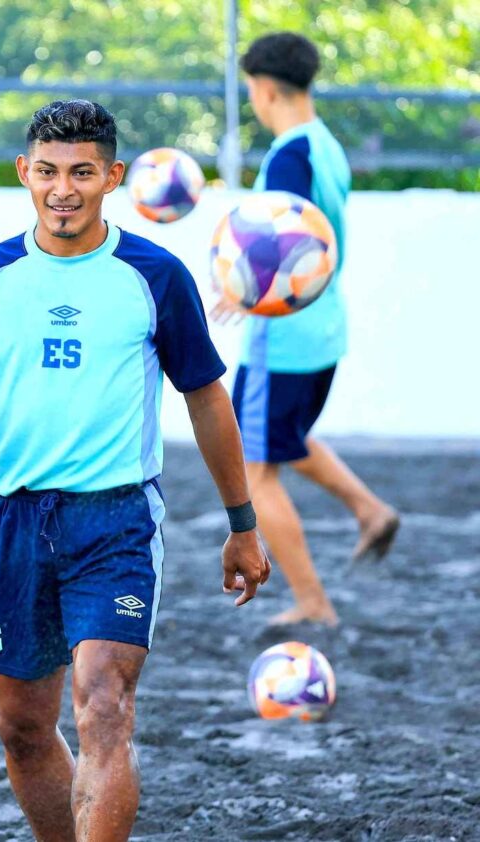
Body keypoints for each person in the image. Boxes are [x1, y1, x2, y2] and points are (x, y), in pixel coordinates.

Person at [0, 100, 271, 842]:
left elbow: (207, 399)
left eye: (82, 172)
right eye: (48, 172)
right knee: (21, 725)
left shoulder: (154, 275)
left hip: (116, 522)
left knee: (104, 704)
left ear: (113, 177)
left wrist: (242, 524)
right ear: (24, 172)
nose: (63, 190)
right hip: (13, 523)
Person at [214, 32, 400, 626]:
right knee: (286, 436)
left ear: (265, 90)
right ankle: (369, 509)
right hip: (321, 332)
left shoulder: (289, 155)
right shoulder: (326, 145)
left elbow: (283, 240)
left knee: (254, 472)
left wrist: (242, 291)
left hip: (285, 339)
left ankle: (313, 603)